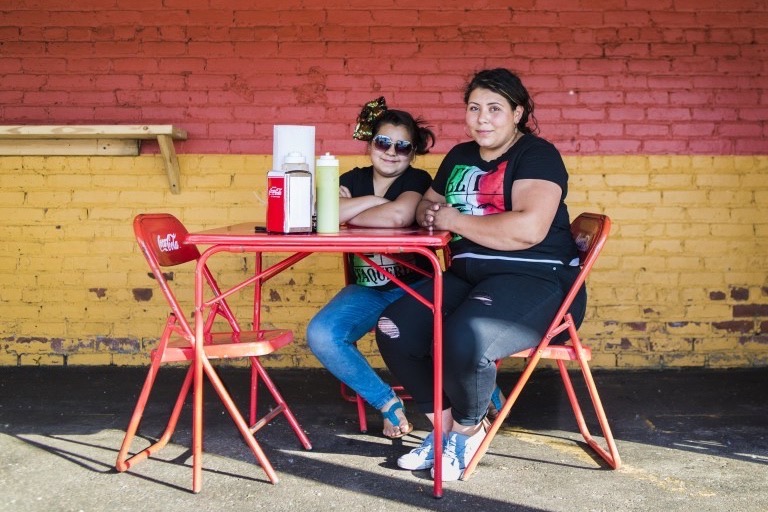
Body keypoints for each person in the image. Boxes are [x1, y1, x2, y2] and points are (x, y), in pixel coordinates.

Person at [375, 68, 587, 480]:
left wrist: (453, 219)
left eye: (494, 109)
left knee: (465, 336)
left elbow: (527, 230)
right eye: (474, 108)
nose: (482, 118)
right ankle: (443, 431)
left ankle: (468, 432)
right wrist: (435, 214)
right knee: (394, 327)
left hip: (537, 280)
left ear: (517, 113)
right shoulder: (460, 156)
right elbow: (427, 206)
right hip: (470, 276)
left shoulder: (537, 155)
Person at [306, 97, 436, 439]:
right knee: (322, 334)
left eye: (403, 147)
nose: (392, 152)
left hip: (416, 286)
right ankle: (386, 401)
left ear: (412, 153)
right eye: (383, 142)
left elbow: (399, 216)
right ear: (370, 145)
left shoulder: (418, 178)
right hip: (368, 289)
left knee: (441, 332)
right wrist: (376, 202)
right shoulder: (353, 177)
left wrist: (347, 210)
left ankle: (482, 398)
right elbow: (320, 214)